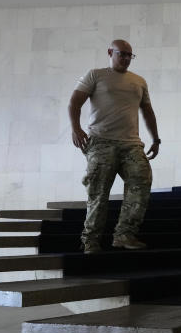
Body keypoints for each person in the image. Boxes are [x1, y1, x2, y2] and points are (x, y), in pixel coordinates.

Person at [68, 39, 160, 253]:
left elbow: (147, 111)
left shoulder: (139, 81)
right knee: (98, 192)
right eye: (123, 54)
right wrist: (76, 128)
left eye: (130, 55)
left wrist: (155, 138)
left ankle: (124, 234)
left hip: (131, 144)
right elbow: (74, 102)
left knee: (141, 180)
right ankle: (90, 240)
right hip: (101, 141)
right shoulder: (95, 75)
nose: (127, 58)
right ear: (110, 52)